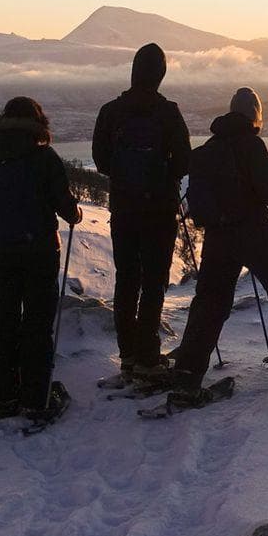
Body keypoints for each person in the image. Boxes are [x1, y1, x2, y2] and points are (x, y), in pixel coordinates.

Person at [155, 87, 268, 400]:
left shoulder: (205, 151)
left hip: (217, 238)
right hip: (253, 232)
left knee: (210, 303)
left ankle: (186, 374)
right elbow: (267, 192)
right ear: (255, 115)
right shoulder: (252, 144)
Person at [0, 96, 82, 427]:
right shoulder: (43, 157)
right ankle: (36, 399)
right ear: (38, 123)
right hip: (40, 252)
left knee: (3, 323)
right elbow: (64, 205)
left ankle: (3, 398)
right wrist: (74, 212)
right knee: (37, 322)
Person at [90, 42, 191, 379]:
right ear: (160, 75)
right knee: (153, 281)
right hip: (159, 208)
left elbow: (101, 160)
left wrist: (124, 178)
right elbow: (184, 161)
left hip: (124, 207)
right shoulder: (168, 112)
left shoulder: (110, 111)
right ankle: (149, 356)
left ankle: (128, 355)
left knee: (127, 279)